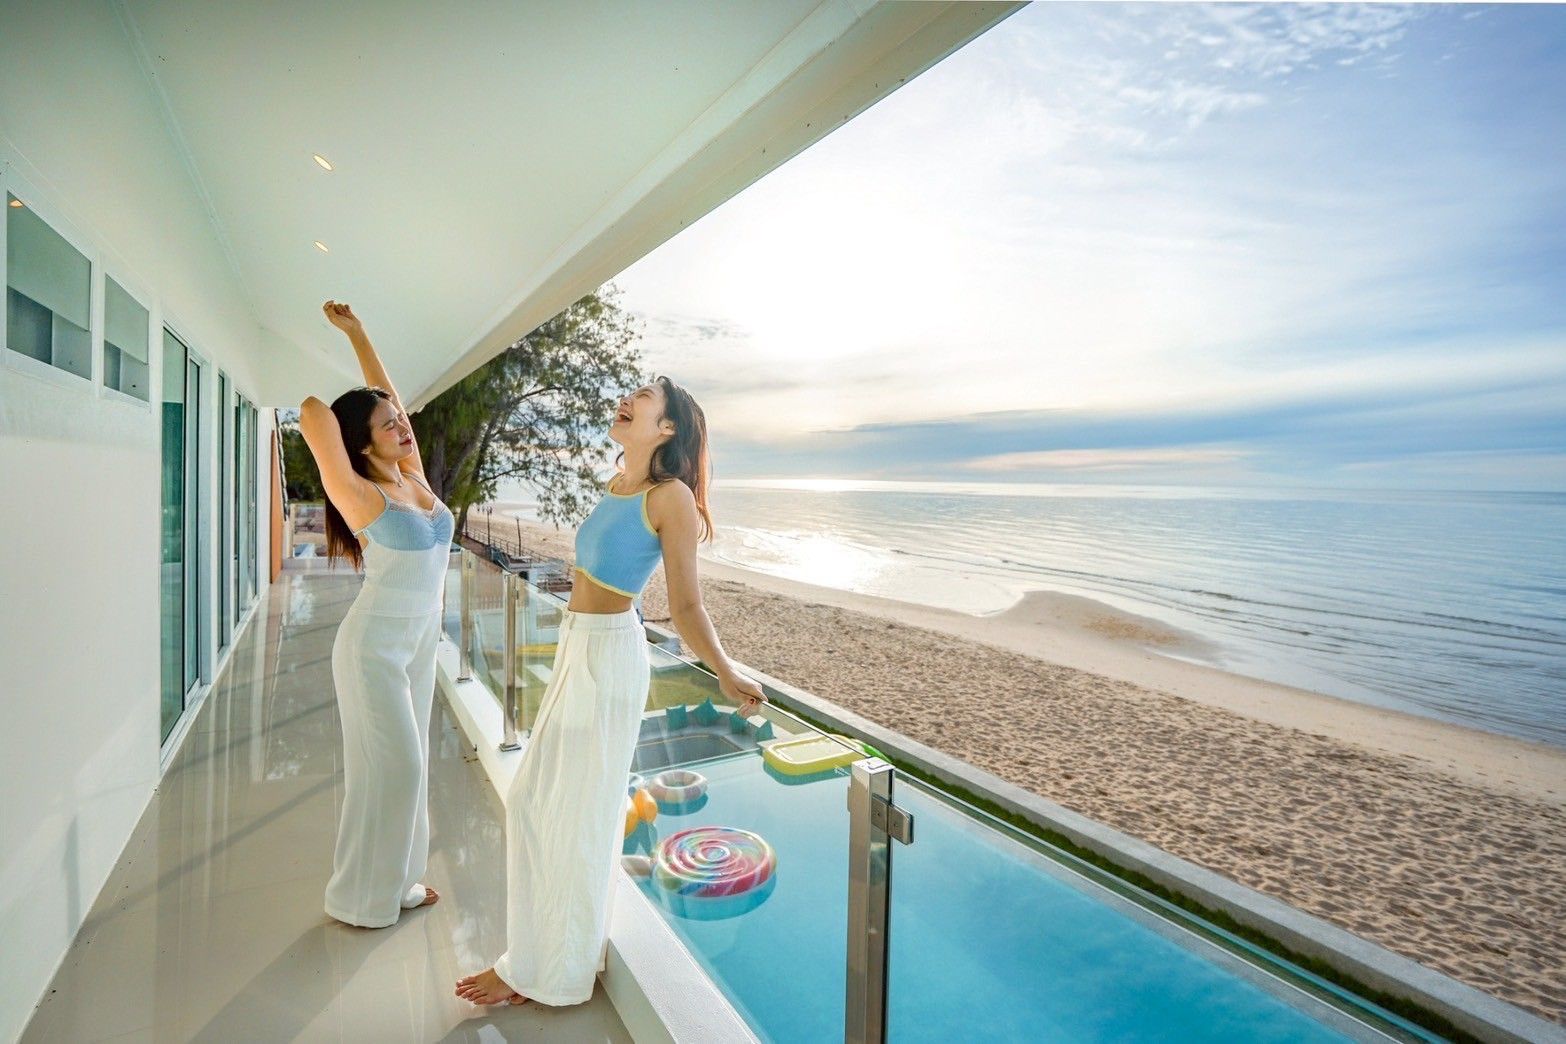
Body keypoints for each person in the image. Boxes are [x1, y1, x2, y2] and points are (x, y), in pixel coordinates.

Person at [455, 375, 767, 1006]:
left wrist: (724, 670)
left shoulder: (670, 497)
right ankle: (550, 959)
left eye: (644, 396)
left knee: (577, 813)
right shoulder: (617, 484)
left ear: (668, 427)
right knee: (538, 803)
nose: (627, 398)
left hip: (609, 654)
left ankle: (547, 973)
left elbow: (686, 604)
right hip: (578, 645)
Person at [298, 300, 451, 927]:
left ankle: (400, 881)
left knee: (410, 771)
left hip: (420, 642)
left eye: (400, 419)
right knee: (396, 769)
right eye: (388, 425)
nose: (403, 427)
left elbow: (391, 405)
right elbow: (313, 413)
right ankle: (355, 899)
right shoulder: (359, 493)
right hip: (373, 649)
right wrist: (344, 406)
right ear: (361, 442)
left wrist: (359, 335)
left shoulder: (412, 477)